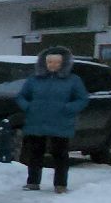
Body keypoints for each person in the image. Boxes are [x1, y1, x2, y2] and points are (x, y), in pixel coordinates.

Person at [15, 47, 88, 194]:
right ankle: (33, 182)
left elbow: (82, 99)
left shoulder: (73, 80)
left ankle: (60, 184)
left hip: (60, 123)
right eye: (49, 61)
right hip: (36, 122)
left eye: (56, 62)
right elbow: (21, 96)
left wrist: (68, 108)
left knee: (60, 154)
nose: (53, 65)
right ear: (44, 62)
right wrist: (28, 107)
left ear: (63, 63)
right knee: (35, 153)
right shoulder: (34, 80)